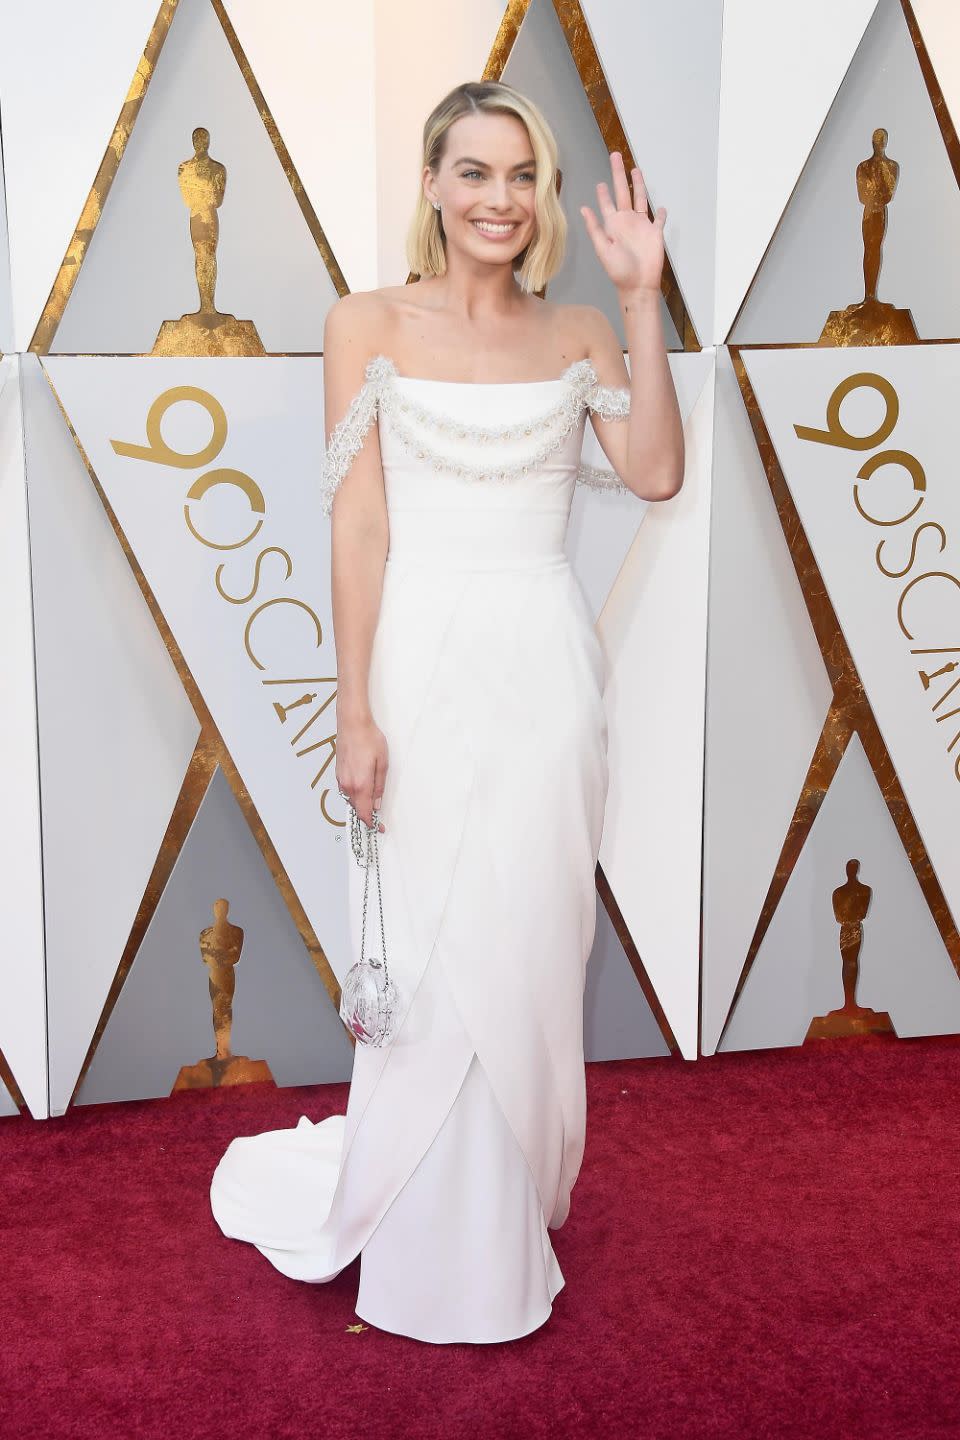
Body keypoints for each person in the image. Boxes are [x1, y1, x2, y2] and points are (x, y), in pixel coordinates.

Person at [210, 79, 684, 1345]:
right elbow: (358, 521)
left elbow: (656, 472)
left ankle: (503, 1218)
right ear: (431, 186)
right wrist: (352, 710)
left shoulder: (582, 326)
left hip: (542, 670)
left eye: (521, 176)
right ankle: (420, 1241)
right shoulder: (363, 323)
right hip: (417, 659)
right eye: (474, 173)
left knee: (531, 940)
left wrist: (641, 293)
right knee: (425, 953)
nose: (501, 199)